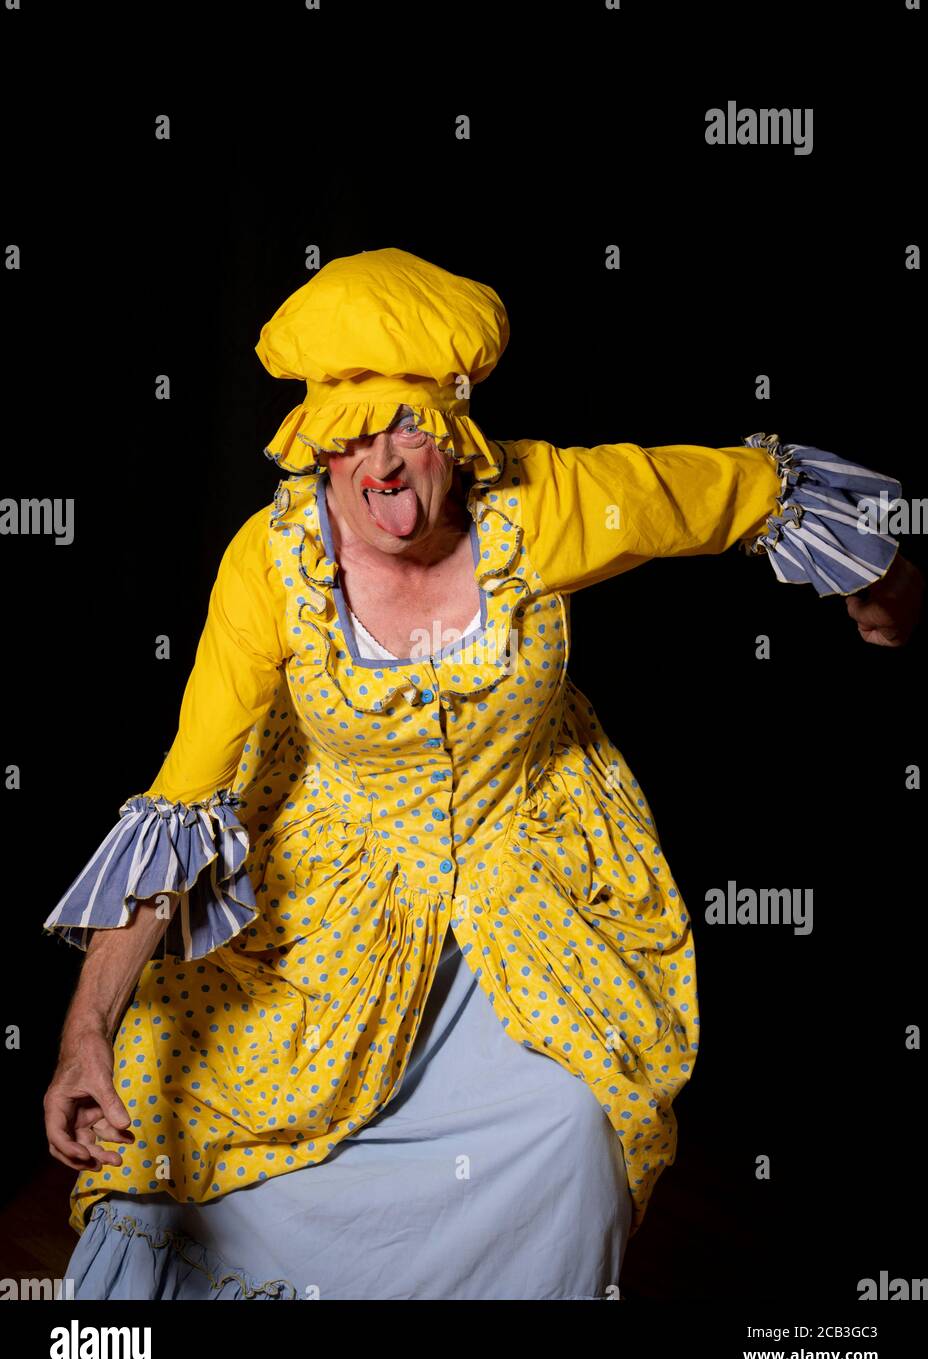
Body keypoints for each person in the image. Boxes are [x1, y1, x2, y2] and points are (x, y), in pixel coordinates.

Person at [42, 247, 923, 1300]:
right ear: (311, 447)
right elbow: (182, 802)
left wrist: (882, 575)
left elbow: (730, 491)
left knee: (571, 1132)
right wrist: (83, 1028)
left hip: (530, 874)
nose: (380, 461)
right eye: (349, 434)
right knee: (181, 1117)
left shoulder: (543, 504)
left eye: (407, 425)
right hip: (328, 897)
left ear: (454, 435)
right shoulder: (269, 569)